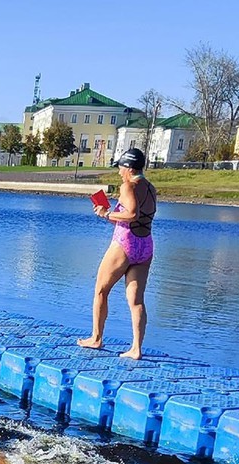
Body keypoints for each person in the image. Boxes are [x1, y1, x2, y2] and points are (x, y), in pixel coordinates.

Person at [78, 147, 157, 360]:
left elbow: (131, 214)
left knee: (101, 290)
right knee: (136, 300)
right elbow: (140, 215)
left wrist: (106, 213)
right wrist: (110, 215)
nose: (119, 172)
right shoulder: (150, 187)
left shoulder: (128, 185)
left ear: (129, 168)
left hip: (125, 243)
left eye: (121, 168)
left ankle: (96, 338)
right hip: (145, 245)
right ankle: (136, 349)